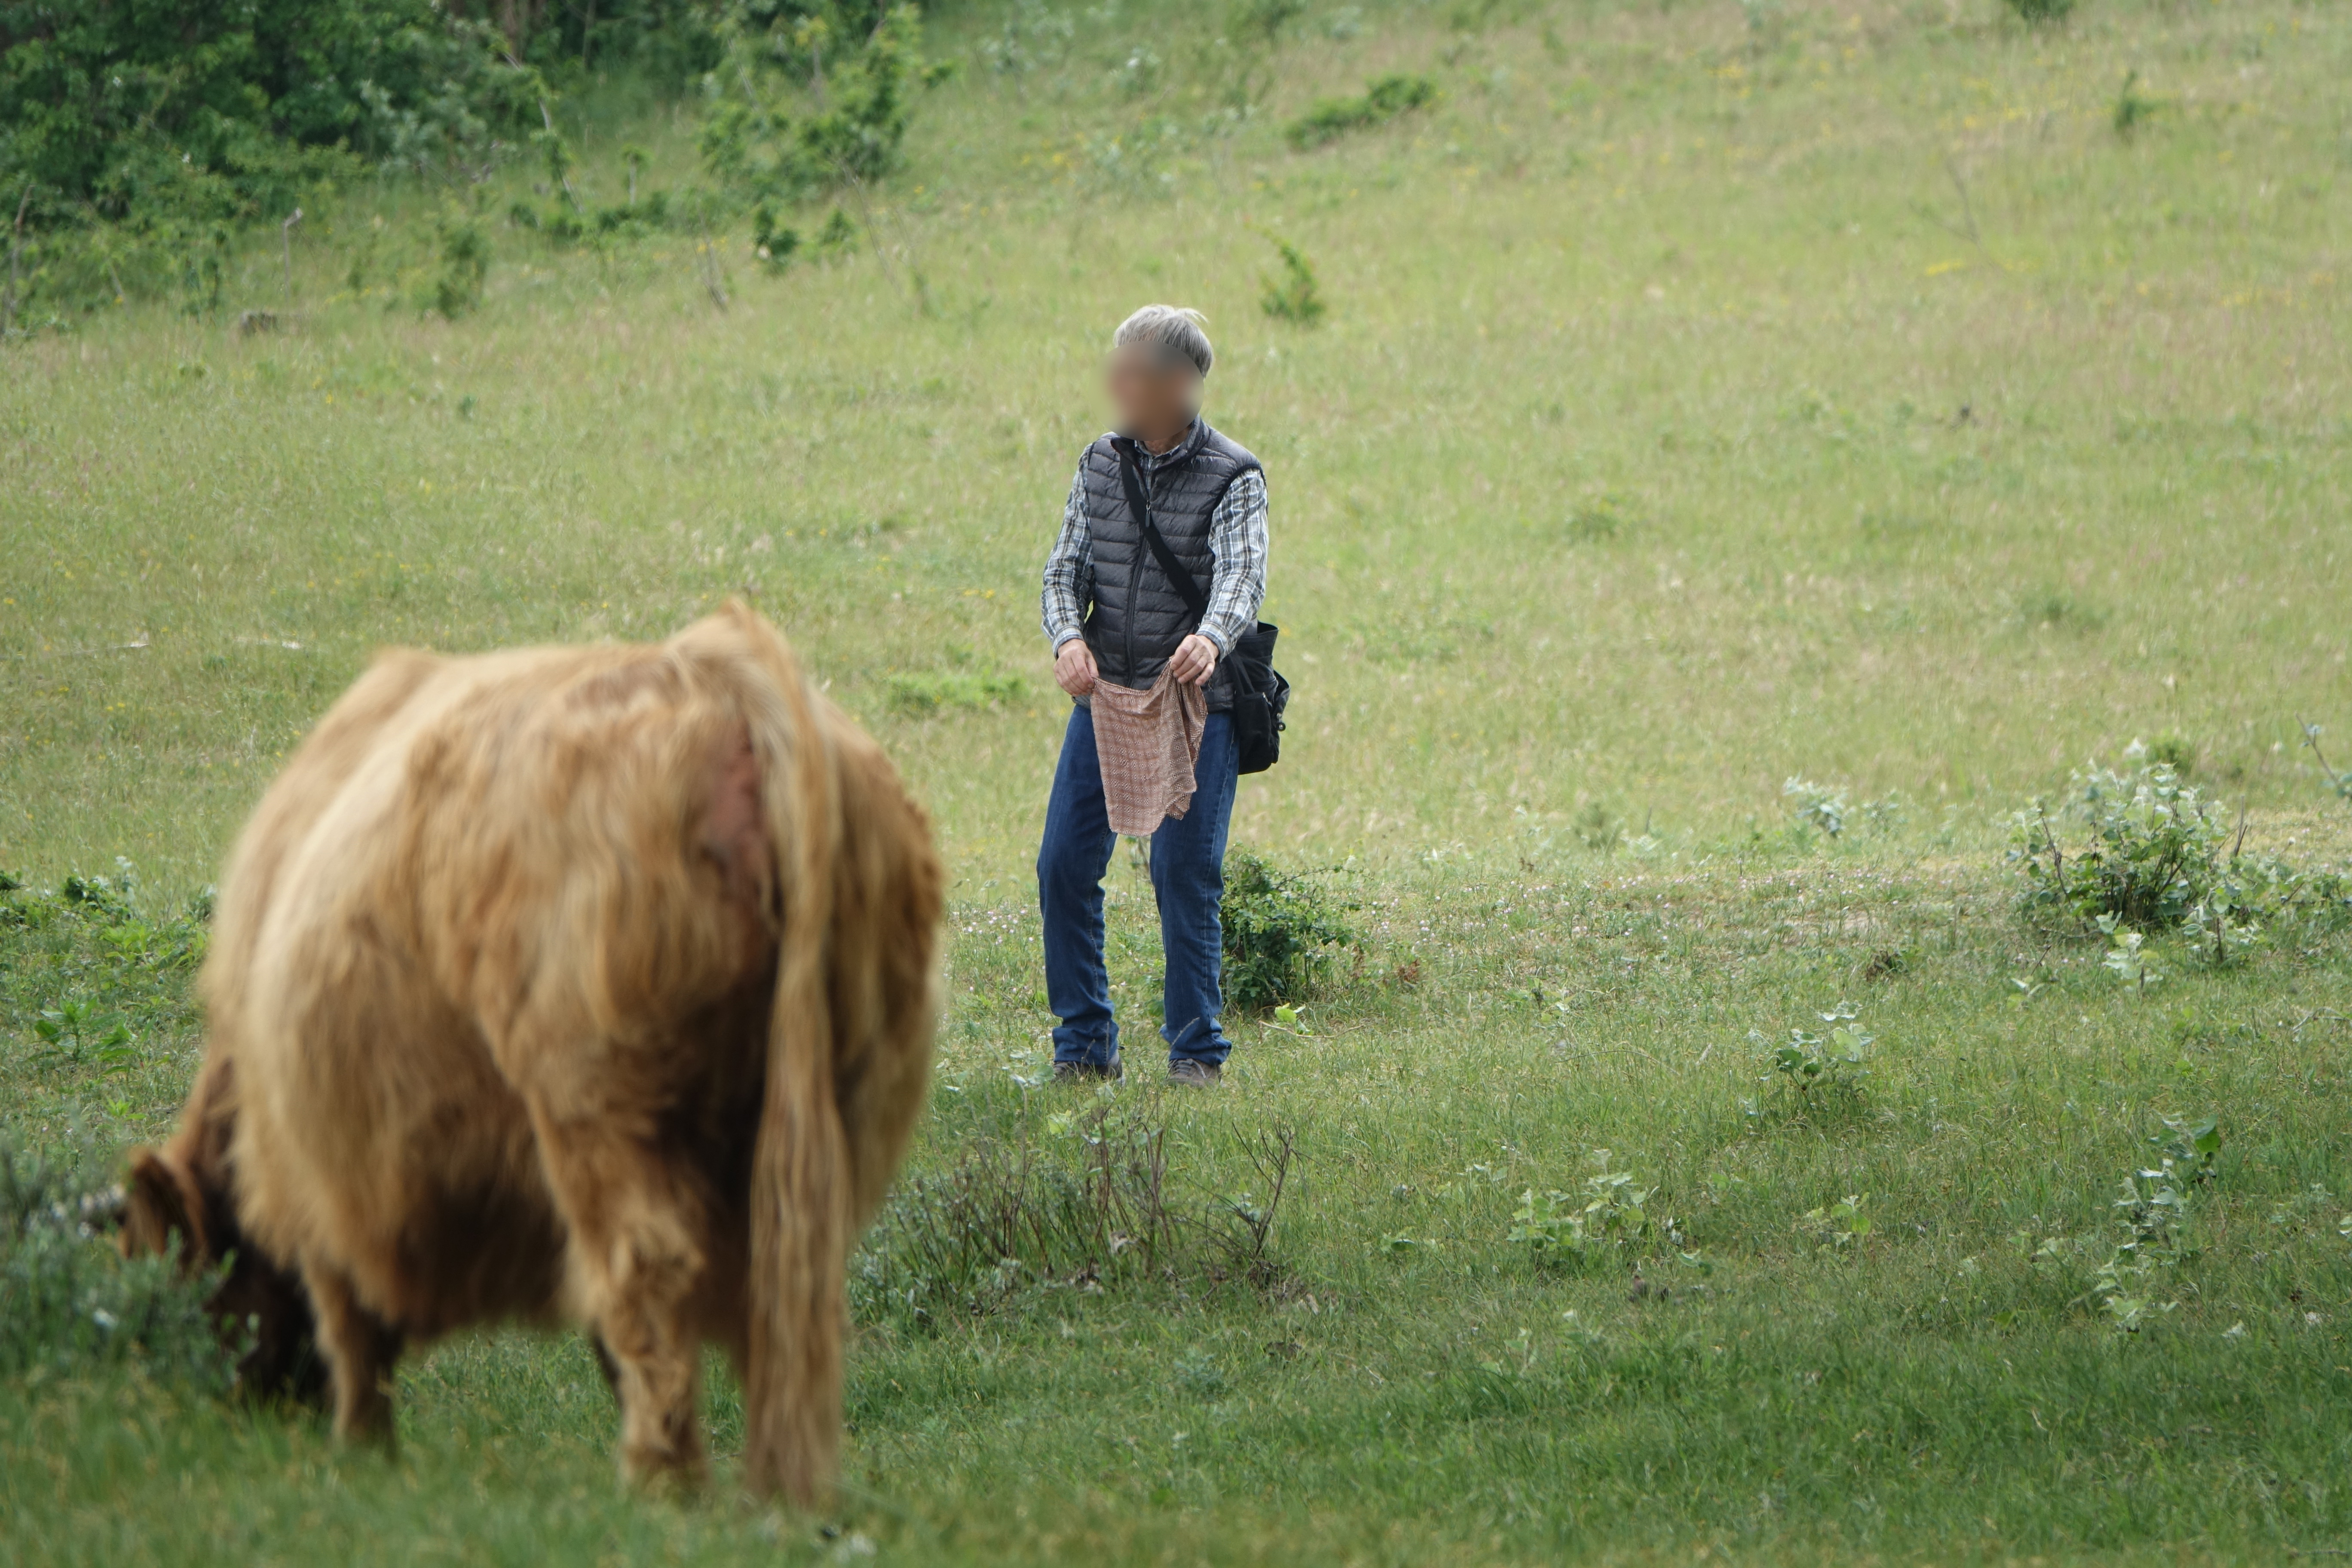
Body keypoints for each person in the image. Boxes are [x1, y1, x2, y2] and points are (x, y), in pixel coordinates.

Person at [1036, 305, 1269, 1087]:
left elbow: (1242, 577)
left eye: (1131, 372)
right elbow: (1063, 570)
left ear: (1178, 384)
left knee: (1183, 873)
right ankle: (1083, 1045)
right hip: (1105, 697)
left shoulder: (1235, 474)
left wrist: (1212, 636)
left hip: (1198, 701)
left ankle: (1196, 1053)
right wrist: (1068, 638)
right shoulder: (1099, 463)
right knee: (1063, 866)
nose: (1116, 384)